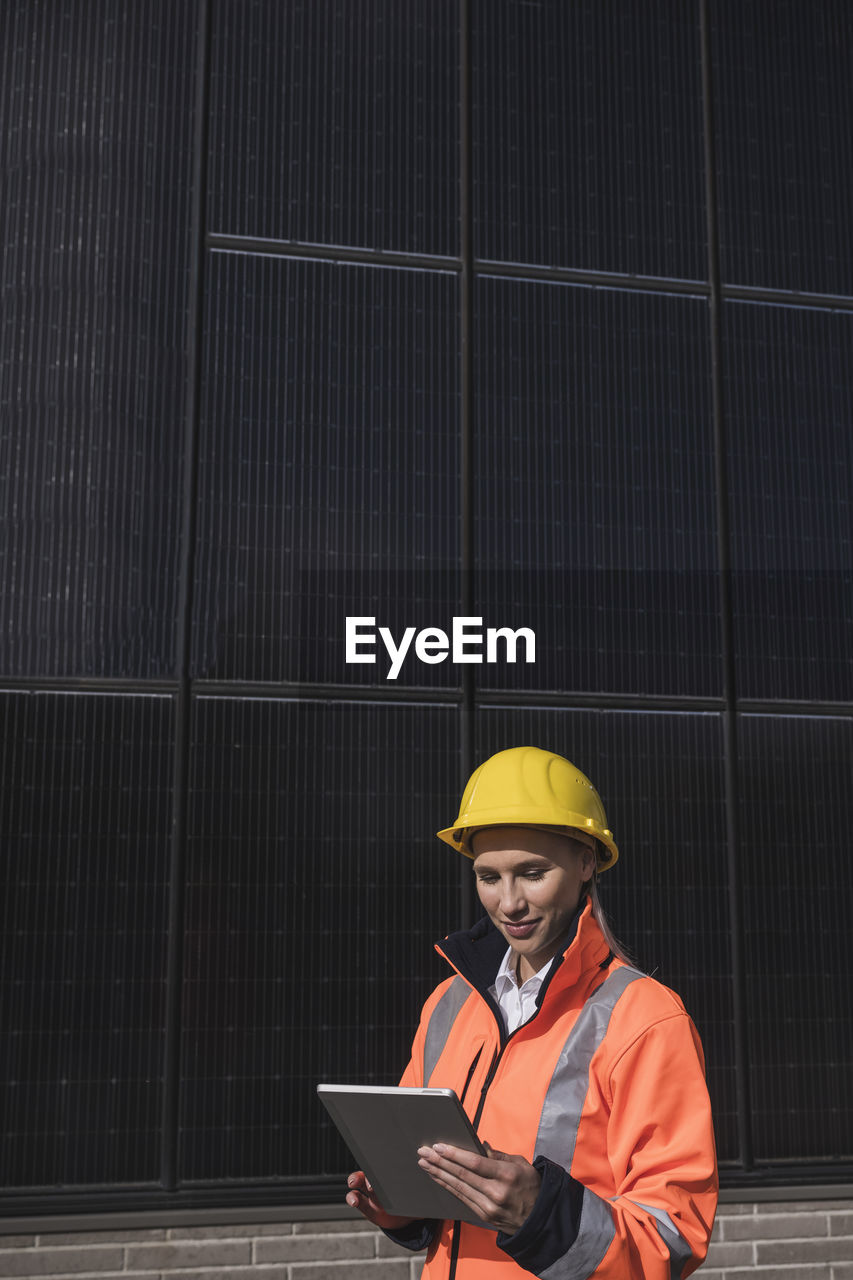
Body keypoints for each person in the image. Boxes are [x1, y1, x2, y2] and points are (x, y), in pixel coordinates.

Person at [346, 746, 718, 1279]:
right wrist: (399, 1204)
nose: (509, 902)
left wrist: (540, 1215)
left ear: (587, 861)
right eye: (489, 877)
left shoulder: (646, 1018)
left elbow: (673, 1237)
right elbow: (434, 1193)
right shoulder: (449, 1004)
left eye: (532, 872)